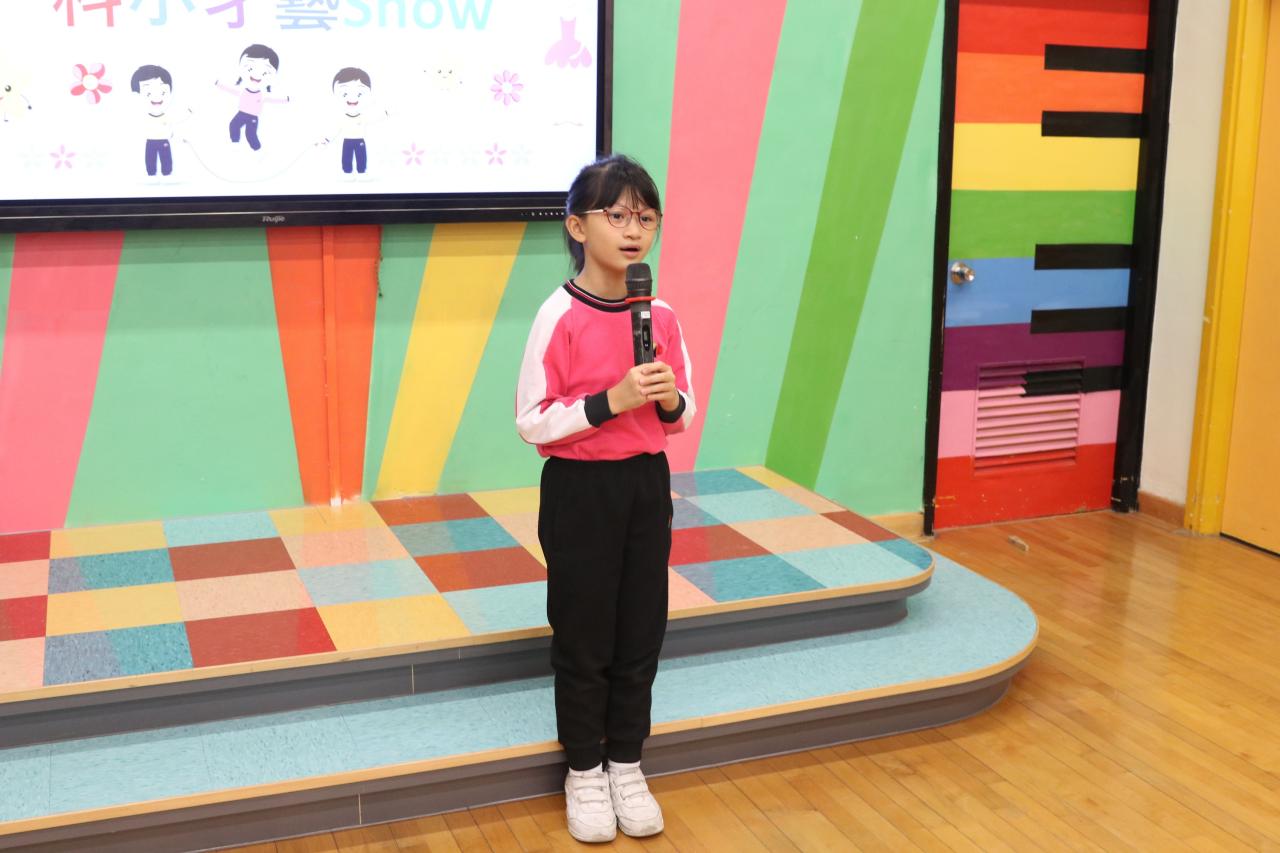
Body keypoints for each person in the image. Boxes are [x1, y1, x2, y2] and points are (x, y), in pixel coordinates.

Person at [515, 154, 695, 843]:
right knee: (584, 632)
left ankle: (626, 761)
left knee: (641, 629)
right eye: (616, 215)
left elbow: (683, 411)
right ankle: (584, 769)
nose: (633, 230)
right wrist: (607, 402)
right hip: (581, 490)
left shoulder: (661, 313)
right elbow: (532, 419)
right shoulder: (558, 313)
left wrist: (668, 398)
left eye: (646, 217)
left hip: (645, 485)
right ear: (577, 227)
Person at [216, 44, 288, 151]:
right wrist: (219, 84)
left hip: (252, 117)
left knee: (250, 134)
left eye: (265, 72)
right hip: (241, 114)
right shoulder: (242, 91)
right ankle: (234, 144)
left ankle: (257, 149)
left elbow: (274, 99)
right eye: (250, 68)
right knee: (233, 125)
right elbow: (230, 89)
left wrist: (286, 99)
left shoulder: (263, 95)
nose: (257, 74)